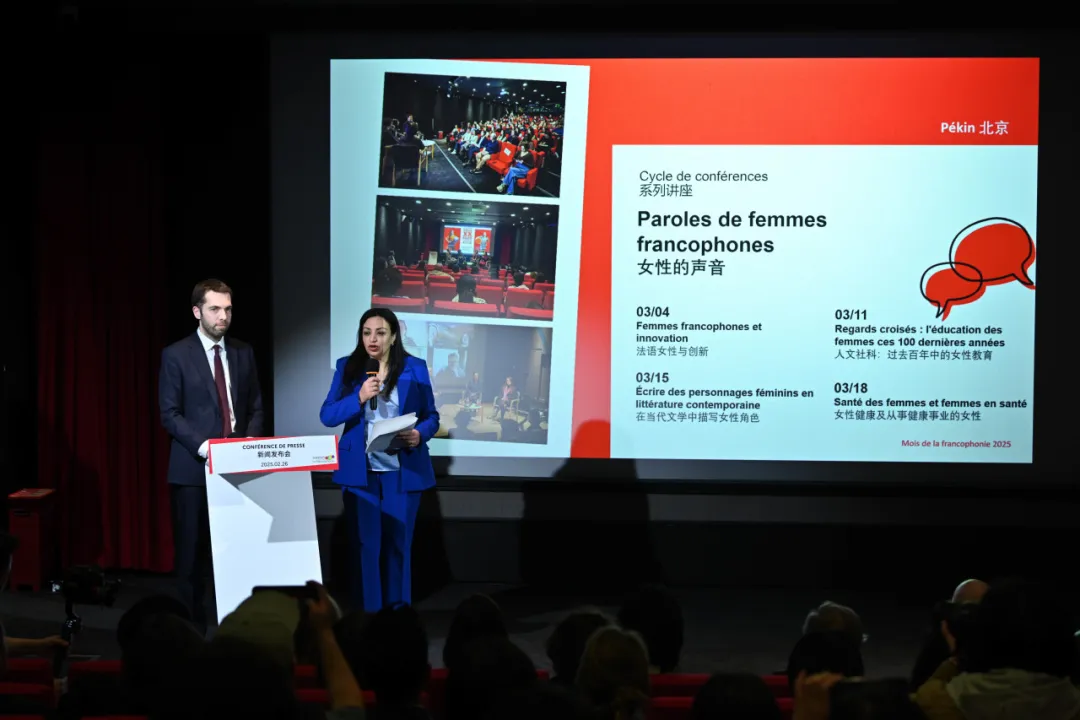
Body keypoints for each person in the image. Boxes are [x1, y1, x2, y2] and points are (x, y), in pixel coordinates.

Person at [159, 279, 264, 630]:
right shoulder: (176, 355)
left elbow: (255, 406)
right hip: (193, 470)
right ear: (197, 311)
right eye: (215, 309)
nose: (223, 316)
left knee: (235, 555)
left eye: (228, 309)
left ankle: (235, 628)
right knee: (191, 557)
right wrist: (207, 449)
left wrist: (247, 446)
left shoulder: (243, 352)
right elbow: (170, 413)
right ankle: (192, 631)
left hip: (239, 469)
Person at [320, 307, 440, 612]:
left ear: (394, 336)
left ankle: (398, 615)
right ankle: (369, 616)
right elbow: (327, 415)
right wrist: (359, 397)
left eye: (380, 332)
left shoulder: (415, 367)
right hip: (361, 474)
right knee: (366, 546)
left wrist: (419, 434)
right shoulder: (348, 367)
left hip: (402, 472)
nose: (372, 339)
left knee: (398, 546)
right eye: (366, 333)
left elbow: (431, 416)